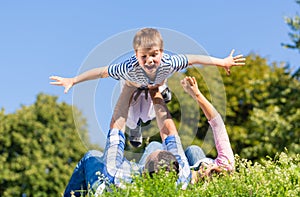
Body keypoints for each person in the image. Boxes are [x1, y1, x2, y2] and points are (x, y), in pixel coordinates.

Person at [50, 27, 245, 148]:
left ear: (161, 51)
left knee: (151, 111)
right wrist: (74, 80)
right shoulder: (127, 67)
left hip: (154, 84)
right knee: (135, 116)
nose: (150, 60)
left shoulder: (169, 62)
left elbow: (195, 58)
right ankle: (135, 129)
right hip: (133, 88)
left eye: (154, 55)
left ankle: (163, 88)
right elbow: (101, 72)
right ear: (136, 56)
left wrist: (222, 62)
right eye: (144, 57)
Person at [62, 76, 235, 197]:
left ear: (143, 176)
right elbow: (168, 133)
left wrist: (128, 88)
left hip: (106, 189)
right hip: (176, 175)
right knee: (168, 147)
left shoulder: (115, 173)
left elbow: (116, 129)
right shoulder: (183, 174)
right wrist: (155, 92)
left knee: (91, 155)